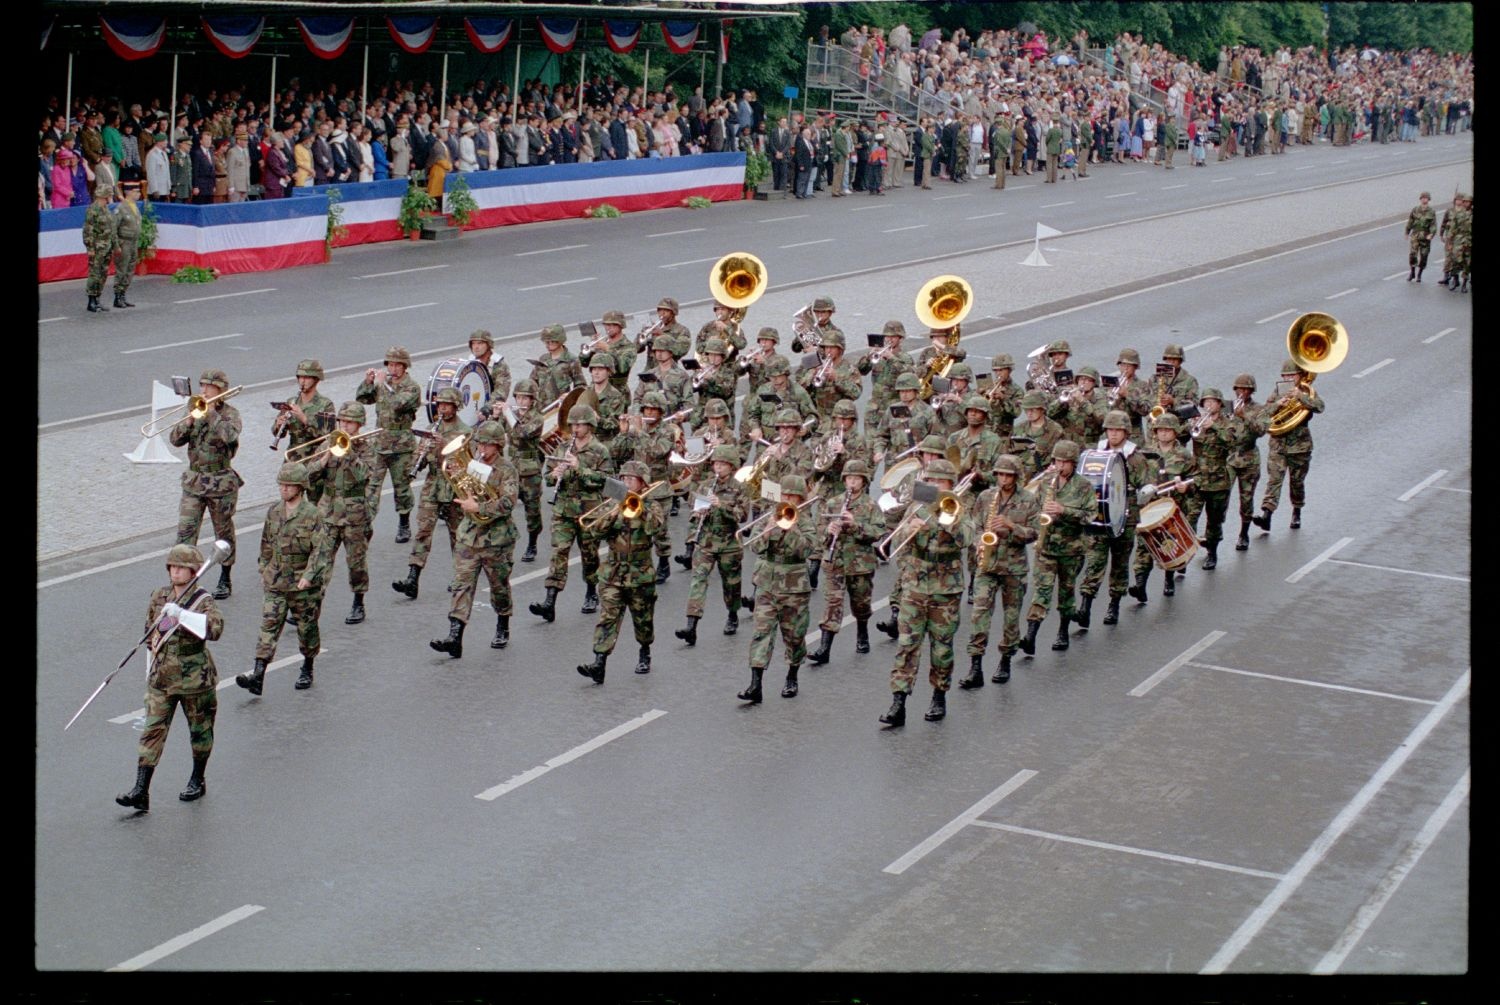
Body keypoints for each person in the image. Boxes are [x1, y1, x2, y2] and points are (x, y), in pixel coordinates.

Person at [115, 544, 224, 813]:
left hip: (194, 679)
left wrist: (182, 615)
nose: (175, 571)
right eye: (172, 566)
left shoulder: (202, 600)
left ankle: (198, 778)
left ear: (193, 571)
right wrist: (149, 672)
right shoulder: (159, 596)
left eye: (181, 567)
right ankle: (141, 789)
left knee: (200, 732)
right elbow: (151, 637)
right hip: (162, 679)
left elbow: (214, 629)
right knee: (152, 731)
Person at [878, 458, 974, 726]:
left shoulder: (959, 508)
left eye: (939, 482)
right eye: (930, 481)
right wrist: (908, 530)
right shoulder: (917, 506)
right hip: (916, 587)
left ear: (950, 485)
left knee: (941, 648)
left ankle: (939, 695)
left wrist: (946, 521)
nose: (933, 486)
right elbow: (897, 544)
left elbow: (967, 539)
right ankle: (899, 702)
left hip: (946, 589)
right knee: (907, 645)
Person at [235, 462, 329, 695]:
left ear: (300, 487)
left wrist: (308, 576)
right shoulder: (274, 512)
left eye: (289, 485)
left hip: (302, 586)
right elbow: (267, 543)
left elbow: (320, 551)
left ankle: (308, 666)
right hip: (276, 582)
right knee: (268, 626)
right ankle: (257, 675)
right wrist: (264, 569)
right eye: (282, 485)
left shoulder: (312, 515)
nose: (284, 489)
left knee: (307, 630)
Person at [430, 421, 520, 658]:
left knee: (499, 587)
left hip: (496, 539)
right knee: (462, 585)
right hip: (469, 536)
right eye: (479, 442)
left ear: (498, 445)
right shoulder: (471, 464)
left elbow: (509, 502)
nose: (481, 447)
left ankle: (503, 622)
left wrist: (478, 505)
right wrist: (454, 475)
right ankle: (454, 637)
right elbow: (460, 493)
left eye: (486, 444)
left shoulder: (507, 469)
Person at [577, 461, 667, 682]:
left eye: (630, 480)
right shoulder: (612, 503)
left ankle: (645, 651)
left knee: (643, 619)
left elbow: (655, 528)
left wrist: (639, 508)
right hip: (613, 572)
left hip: (640, 572)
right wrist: (615, 513)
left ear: (642, 483)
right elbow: (594, 532)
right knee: (607, 617)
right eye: (623, 478)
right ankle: (599, 662)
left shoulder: (652, 505)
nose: (625, 483)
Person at [961, 453, 1041, 687]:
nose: (1003, 479)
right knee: (979, 615)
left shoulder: (1028, 500)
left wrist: (1011, 527)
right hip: (986, 566)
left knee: (1011, 618)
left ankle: (1005, 660)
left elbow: (1034, 532)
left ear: (1016, 477)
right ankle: (975, 666)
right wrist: (978, 542)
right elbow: (974, 525)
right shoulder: (986, 497)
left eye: (1008, 475)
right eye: (1000, 475)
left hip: (1013, 568)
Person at [739, 475, 818, 704]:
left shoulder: (804, 521)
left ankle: (792, 674)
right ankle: (755, 684)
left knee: (794, 635)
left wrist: (790, 528)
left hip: (793, 586)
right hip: (767, 583)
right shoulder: (769, 516)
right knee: (761, 633)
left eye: (792, 496)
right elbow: (754, 546)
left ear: (800, 498)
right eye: (784, 495)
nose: (787, 499)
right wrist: (769, 529)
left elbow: (806, 551)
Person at [530, 405, 611, 621]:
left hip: (588, 511)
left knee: (589, 554)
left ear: (589, 426)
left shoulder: (600, 450)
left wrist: (578, 468)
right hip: (563, 509)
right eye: (573, 424)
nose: (575, 428)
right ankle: (550, 600)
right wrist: (554, 474)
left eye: (579, 424)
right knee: (559, 552)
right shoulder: (564, 447)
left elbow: (605, 482)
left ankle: (592, 592)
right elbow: (547, 475)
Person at [1018, 440, 1097, 655]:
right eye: (1057, 461)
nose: (1060, 465)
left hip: (1071, 549)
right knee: (1041, 592)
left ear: (1074, 463)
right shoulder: (1046, 482)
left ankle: (1063, 631)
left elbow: (1090, 515)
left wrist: (1064, 510)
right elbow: (1033, 508)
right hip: (1046, 547)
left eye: (1065, 462)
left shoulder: (1083, 486)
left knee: (1066, 591)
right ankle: (1030, 637)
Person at [171, 369, 243, 600]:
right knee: (186, 532)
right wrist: (190, 419)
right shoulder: (194, 407)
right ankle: (184, 581)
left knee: (222, 532)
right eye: (202, 385)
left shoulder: (230, 414)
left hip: (220, 483)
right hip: (194, 482)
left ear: (220, 391)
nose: (203, 390)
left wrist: (211, 414)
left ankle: (225, 575)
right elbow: (175, 439)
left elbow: (230, 437)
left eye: (208, 387)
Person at [394, 387, 469, 602]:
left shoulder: (465, 431)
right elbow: (420, 456)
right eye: (440, 405)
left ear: (456, 406)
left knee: (458, 535)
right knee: (423, 532)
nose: (442, 408)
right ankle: (412, 577)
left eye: (447, 405)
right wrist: (422, 454)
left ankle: (460, 576)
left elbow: (465, 462)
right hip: (433, 485)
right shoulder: (431, 428)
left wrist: (444, 445)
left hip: (455, 485)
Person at [807, 459, 883, 665]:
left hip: (860, 564)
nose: (852, 482)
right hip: (835, 562)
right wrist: (828, 531)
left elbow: (877, 532)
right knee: (833, 603)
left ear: (864, 481)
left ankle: (862, 631)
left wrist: (855, 525)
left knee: (861, 603)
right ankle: (824, 648)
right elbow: (817, 534)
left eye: (856, 479)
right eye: (849, 478)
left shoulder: (870, 505)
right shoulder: (833, 503)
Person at [305, 402, 373, 624]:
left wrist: (349, 452)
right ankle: (312, 606)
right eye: (342, 421)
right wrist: (323, 459)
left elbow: (365, 475)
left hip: (354, 513)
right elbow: (308, 476)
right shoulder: (328, 443)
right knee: (320, 560)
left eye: (349, 422)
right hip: (328, 510)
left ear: (359, 424)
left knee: (356, 563)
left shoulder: (367, 447)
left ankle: (358, 601)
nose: (344, 425)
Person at [356, 346, 422, 542]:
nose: (392, 369)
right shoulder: (384, 385)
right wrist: (368, 382)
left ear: (404, 367)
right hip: (379, 444)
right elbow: (363, 398)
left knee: (401, 488)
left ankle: (404, 523)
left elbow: (397, 404)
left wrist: (383, 384)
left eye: (396, 365)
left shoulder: (412, 387)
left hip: (401, 447)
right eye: (390, 365)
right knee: (371, 486)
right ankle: (365, 524)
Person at [1129, 415, 1198, 602]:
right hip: (1148, 505)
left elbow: (1196, 478)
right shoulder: (1146, 452)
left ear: (1175, 432)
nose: (1164, 433)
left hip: (1171, 506)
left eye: (1167, 430)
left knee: (1168, 544)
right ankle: (1140, 584)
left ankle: (1169, 579)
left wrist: (1187, 487)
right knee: (1144, 545)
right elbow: (1136, 476)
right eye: (1160, 430)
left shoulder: (1184, 455)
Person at [1253, 358, 1323, 533]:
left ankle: (1297, 510)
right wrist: (1278, 404)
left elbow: (1320, 407)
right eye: (1285, 376)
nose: (1287, 379)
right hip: (1278, 445)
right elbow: (1263, 414)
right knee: (1274, 480)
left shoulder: (1307, 392)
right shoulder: (1277, 392)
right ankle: (1266, 515)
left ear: (1300, 376)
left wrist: (1300, 397)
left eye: (1291, 375)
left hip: (1300, 446)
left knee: (1297, 482)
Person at [273, 359, 336, 502]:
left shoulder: (325, 404)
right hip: (294, 459)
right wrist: (278, 424)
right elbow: (278, 433)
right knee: (291, 503)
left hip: (315, 459)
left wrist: (304, 418)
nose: (303, 381)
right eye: (300, 377)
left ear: (316, 379)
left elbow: (330, 435)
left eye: (307, 377)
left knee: (316, 504)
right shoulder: (291, 401)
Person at [1184, 389, 1233, 569]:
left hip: (1218, 481)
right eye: (1206, 402)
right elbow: (1181, 435)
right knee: (1190, 517)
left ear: (1220, 404)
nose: (1209, 405)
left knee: (1214, 521)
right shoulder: (1197, 420)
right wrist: (1190, 423)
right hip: (1197, 479)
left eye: (1213, 402)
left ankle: (1212, 553)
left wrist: (1213, 425)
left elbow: (1231, 441)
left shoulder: (1227, 423)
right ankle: (1185, 554)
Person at [1225, 374, 1268, 551]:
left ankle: (1244, 533)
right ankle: (1212, 538)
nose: (1241, 392)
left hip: (1249, 458)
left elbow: (1261, 430)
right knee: (1221, 498)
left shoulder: (1259, 409)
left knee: (1246, 499)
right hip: (1229, 458)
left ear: (1251, 391)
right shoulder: (1227, 407)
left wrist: (1244, 417)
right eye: (1238, 389)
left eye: (1245, 389)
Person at [82, 188, 116, 314]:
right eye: (108, 195)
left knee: (103, 274)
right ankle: (91, 300)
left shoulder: (105, 209)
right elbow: (87, 230)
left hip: (106, 246)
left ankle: (97, 298)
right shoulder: (93, 210)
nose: (109, 198)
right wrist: (90, 248)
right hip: (97, 247)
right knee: (95, 274)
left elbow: (111, 228)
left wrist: (114, 244)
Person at [1405, 191, 1437, 282]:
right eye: (1422, 198)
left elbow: (1433, 224)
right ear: (1420, 199)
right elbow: (1410, 221)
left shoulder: (1431, 211)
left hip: (1425, 236)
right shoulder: (1415, 209)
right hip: (1415, 235)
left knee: (1424, 256)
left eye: (1426, 198)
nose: (1424, 199)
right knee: (1413, 254)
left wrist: (1432, 233)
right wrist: (1407, 232)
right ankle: (1412, 272)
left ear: (1428, 199)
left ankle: (1419, 274)